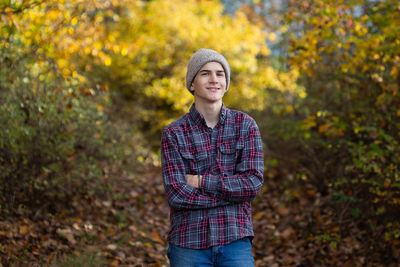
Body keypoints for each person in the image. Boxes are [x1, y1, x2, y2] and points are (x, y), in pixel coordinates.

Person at [161, 48, 264, 267]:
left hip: (235, 240)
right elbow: (177, 194)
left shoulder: (245, 126)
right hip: (188, 242)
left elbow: (252, 184)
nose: (214, 79)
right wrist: (230, 197)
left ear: (226, 84)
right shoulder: (174, 133)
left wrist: (201, 181)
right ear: (192, 84)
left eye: (220, 74)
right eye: (205, 73)